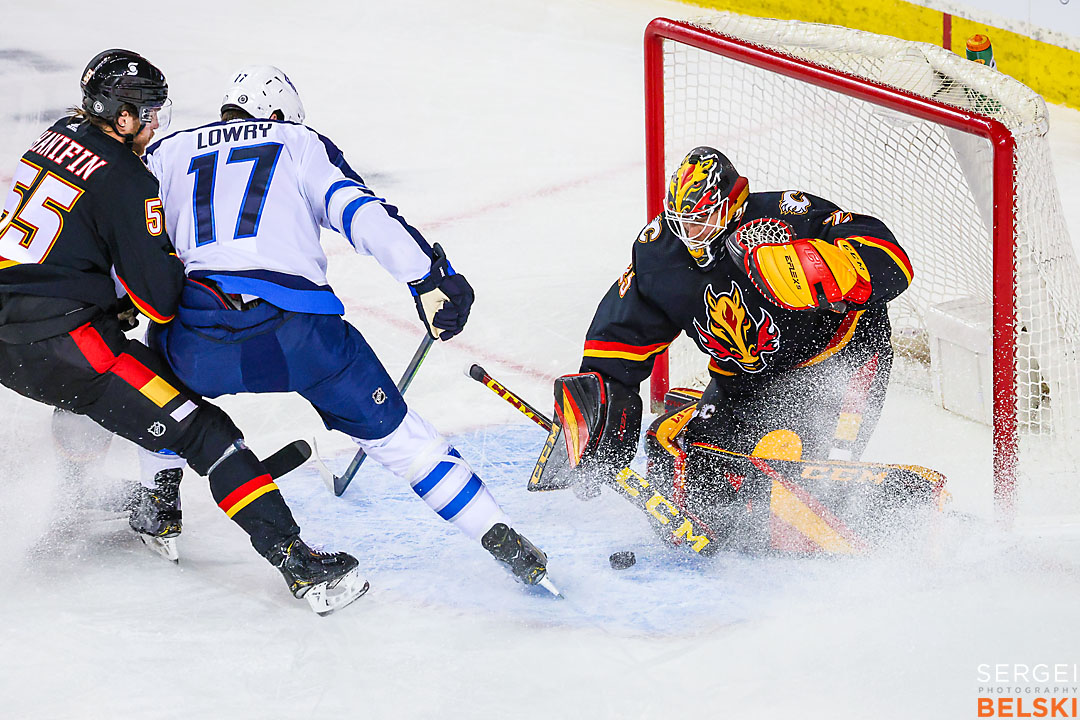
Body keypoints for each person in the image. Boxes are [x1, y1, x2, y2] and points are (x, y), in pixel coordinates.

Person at [142, 66, 555, 593]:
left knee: (157, 391)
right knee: (405, 442)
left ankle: (158, 503)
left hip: (199, 340)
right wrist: (429, 277)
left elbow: (127, 241)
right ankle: (500, 536)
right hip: (301, 337)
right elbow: (360, 213)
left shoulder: (167, 151)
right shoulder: (297, 141)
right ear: (278, 115)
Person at [0, 50, 365, 615]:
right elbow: (161, 299)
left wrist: (106, 300)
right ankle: (300, 566)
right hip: (67, 345)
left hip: (13, 335)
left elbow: (63, 246)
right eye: (148, 112)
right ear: (122, 116)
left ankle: (80, 502)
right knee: (206, 434)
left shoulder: (56, 136)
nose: (155, 123)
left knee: (76, 396)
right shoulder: (128, 177)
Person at [542, 146, 913, 549]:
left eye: (702, 219)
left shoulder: (786, 217)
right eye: (682, 221)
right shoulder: (658, 254)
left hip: (838, 361)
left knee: (800, 484)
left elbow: (891, 259)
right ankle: (695, 425)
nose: (691, 232)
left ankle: (886, 525)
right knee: (689, 474)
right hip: (741, 378)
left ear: (734, 204)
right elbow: (619, 338)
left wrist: (829, 266)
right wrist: (599, 411)